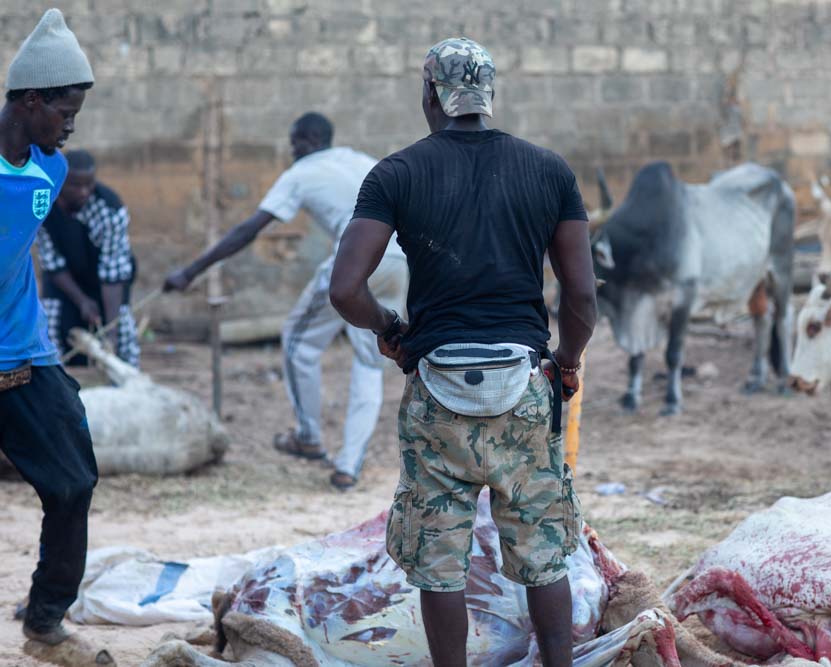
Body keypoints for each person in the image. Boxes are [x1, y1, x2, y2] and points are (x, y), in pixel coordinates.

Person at [328, 38, 597, 666]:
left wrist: (390, 330)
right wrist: (568, 361)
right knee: (541, 550)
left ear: (430, 95)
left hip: (437, 394)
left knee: (439, 564)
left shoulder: (397, 173)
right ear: (489, 96)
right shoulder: (548, 170)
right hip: (526, 387)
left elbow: (344, 289)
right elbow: (580, 295)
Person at [163, 112, 407, 490]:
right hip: (399, 258)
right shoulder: (359, 159)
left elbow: (249, 229)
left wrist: (190, 272)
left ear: (305, 140)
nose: (291, 150)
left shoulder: (301, 172)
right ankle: (349, 464)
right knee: (369, 361)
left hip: (358, 258)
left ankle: (308, 436)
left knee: (297, 339)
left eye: (293, 142)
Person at [0, 7, 102, 657]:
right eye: (64, 112)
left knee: (73, 480)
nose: (70, 126)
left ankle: (45, 616)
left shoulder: (50, 170)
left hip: (27, 354)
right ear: (30, 100)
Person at [37, 149, 139, 367]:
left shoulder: (109, 208)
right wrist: (82, 301)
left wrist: (111, 334)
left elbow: (113, 272)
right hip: (65, 281)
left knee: (121, 332)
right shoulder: (43, 205)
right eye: (75, 185)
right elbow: (52, 264)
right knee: (50, 325)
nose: (84, 192)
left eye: (89, 184)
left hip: (108, 283)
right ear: (60, 182)